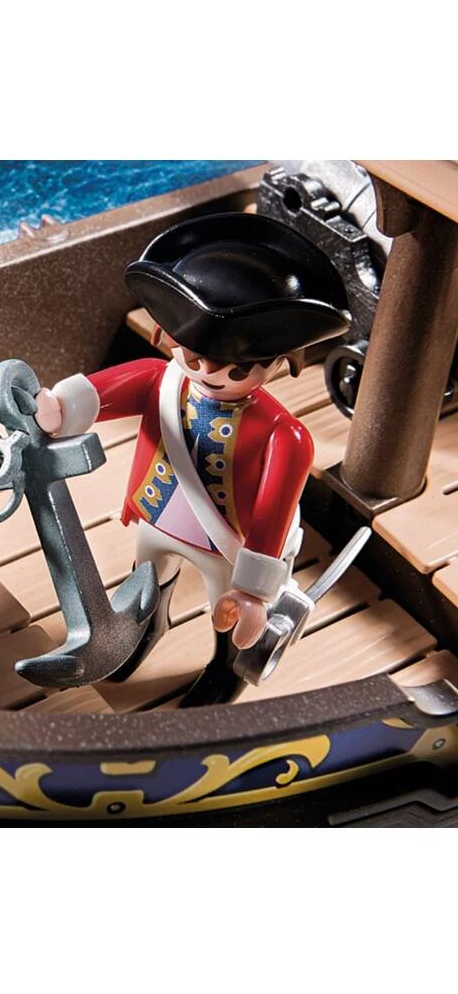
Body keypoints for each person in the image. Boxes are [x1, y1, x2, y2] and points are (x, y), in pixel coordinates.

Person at [33, 213, 351, 705]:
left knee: (226, 610)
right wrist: (58, 407)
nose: (209, 374)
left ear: (280, 363)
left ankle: (227, 669)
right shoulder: (162, 381)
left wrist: (254, 590)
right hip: (158, 515)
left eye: (237, 370)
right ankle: (140, 634)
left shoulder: (284, 435)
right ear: (169, 339)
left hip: (228, 541)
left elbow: (272, 514)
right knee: (146, 581)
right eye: (193, 357)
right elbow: (102, 392)